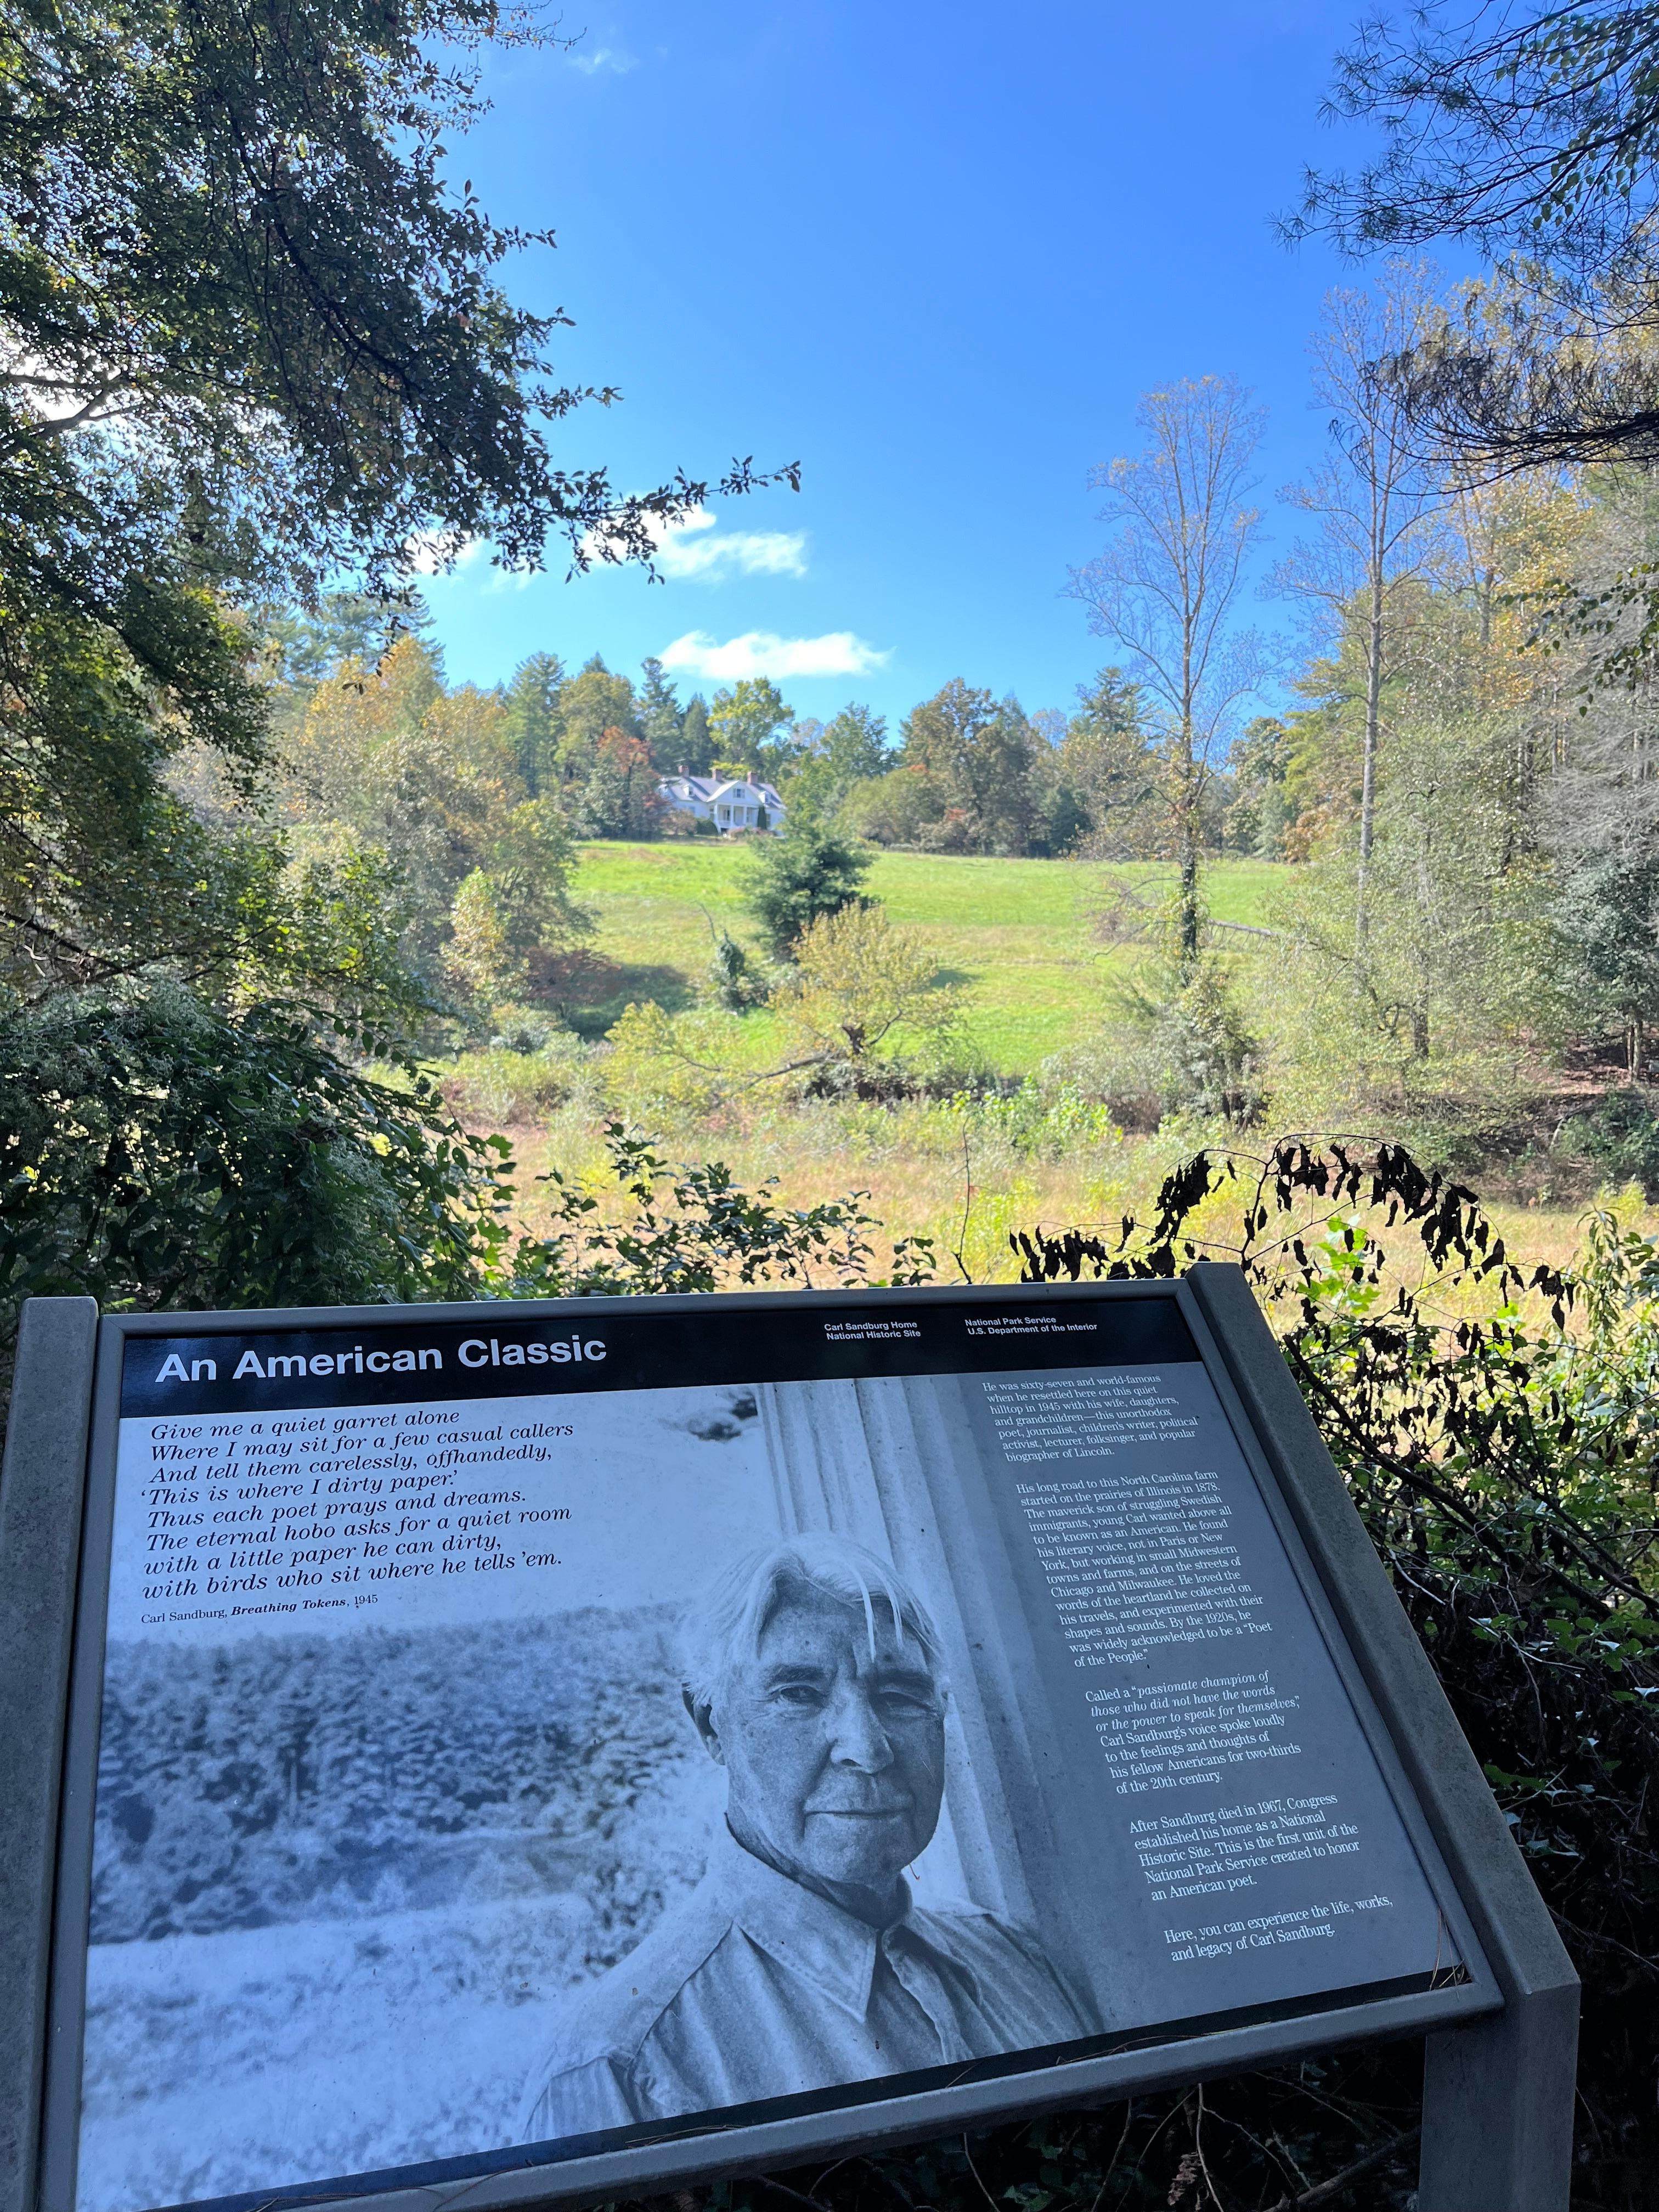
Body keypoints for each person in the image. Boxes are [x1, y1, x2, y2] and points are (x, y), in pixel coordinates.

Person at [519, 1532, 1095, 2141]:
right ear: (710, 1725)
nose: (868, 1749)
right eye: (798, 1694)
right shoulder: (620, 2066)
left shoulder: (1017, 1958)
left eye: (899, 1694)